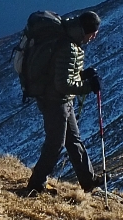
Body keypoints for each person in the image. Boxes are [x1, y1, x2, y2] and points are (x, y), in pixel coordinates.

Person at [26, 10, 103, 195]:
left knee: (74, 140)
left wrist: (84, 75)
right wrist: (87, 86)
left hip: (62, 100)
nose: (94, 37)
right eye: (93, 33)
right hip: (54, 102)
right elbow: (62, 84)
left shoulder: (70, 39)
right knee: (55, 144)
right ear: (86, 30)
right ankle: (36, 183)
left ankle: (88, 181)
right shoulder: (68, 46)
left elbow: (61, 73)